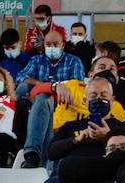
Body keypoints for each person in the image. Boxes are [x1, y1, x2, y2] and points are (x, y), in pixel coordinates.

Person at [14, 28, 85, 170]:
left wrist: (44, 90)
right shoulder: (36, 60)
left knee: (41, 98)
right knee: (28, 92)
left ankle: (32, 156)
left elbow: (76, 89)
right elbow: (20, 77)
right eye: (48, 44)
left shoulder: (74, 61)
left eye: (55, 44)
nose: (51, 48)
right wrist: (42, 85)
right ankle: (32, 155)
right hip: (39, 104)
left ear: (63, 45)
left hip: (63, 106)